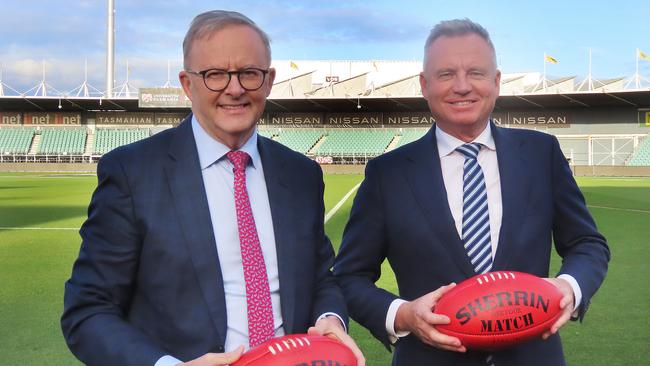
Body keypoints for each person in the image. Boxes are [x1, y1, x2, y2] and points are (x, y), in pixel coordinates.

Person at [61, 10, 364, 366]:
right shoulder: (133, 173)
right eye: (215, 75)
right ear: (188, 84)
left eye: (249, 73)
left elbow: (319, 279)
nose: (234, 89)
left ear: (268, 81)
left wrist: (330, 319)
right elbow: (88, 310)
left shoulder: (300, 174)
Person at [333, 19, 609, 365]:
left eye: (476, 73)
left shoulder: (542, 154)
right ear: (424, 85)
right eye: (446, 74)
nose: (462, 86)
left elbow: (587, 243)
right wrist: (403, 315)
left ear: (496, 82)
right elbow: (349, 275)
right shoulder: (387, 173)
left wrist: (569, 287)